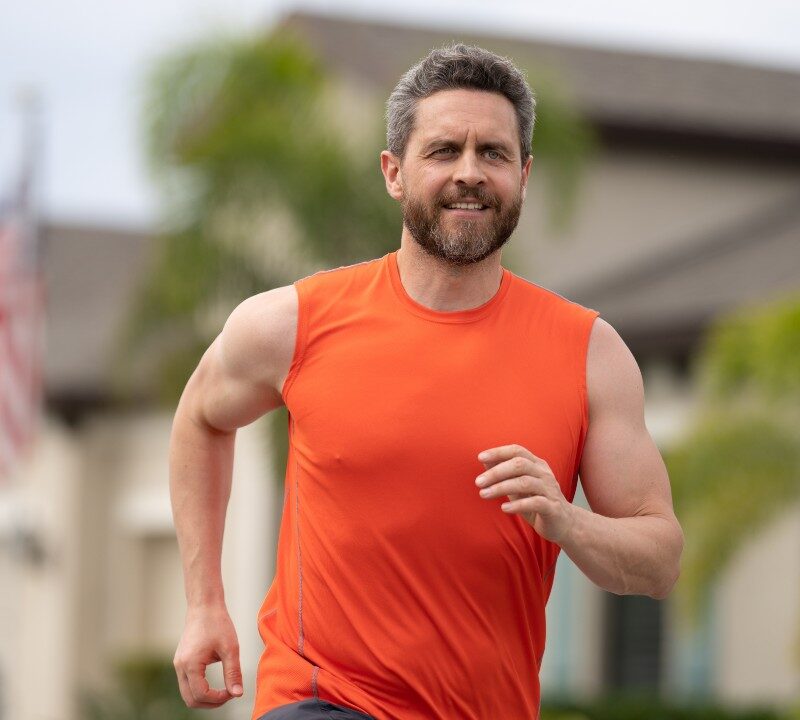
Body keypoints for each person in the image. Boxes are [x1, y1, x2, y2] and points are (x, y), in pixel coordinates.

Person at [169, 43, 684, 720]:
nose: (469, 173)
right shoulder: (294, 324)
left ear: (523, 174)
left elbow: (659, 559)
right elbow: (202, 418)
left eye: (493, 154)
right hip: (323, 700)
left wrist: (567, 522)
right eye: (444, 151)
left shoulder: (588, 353)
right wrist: (206, 603)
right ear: (394, 172)